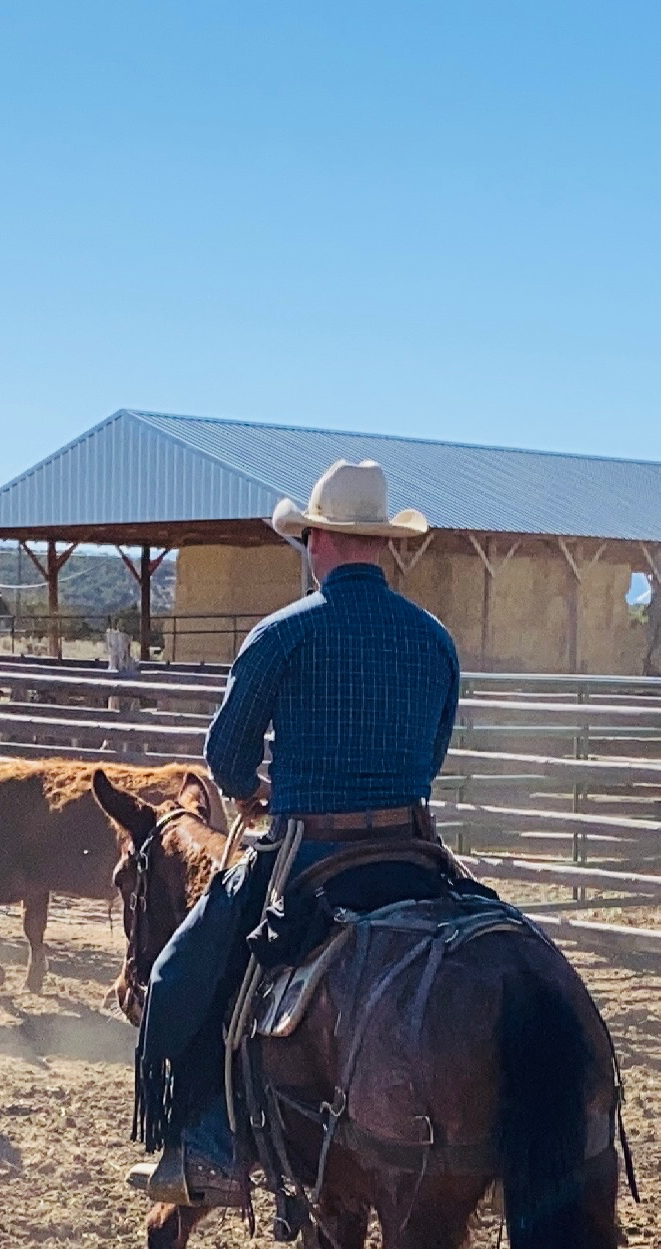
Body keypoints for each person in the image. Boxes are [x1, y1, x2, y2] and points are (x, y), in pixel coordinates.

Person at [130, 460, 460, 1208]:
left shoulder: (283, 635)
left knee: (180, 976)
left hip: (308, 850)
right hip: (415, 851)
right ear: (378, 545)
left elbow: (226, 758)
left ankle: (205, 1146)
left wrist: (251, 792)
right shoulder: (434, 640)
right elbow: (432, 757)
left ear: (316, 541)